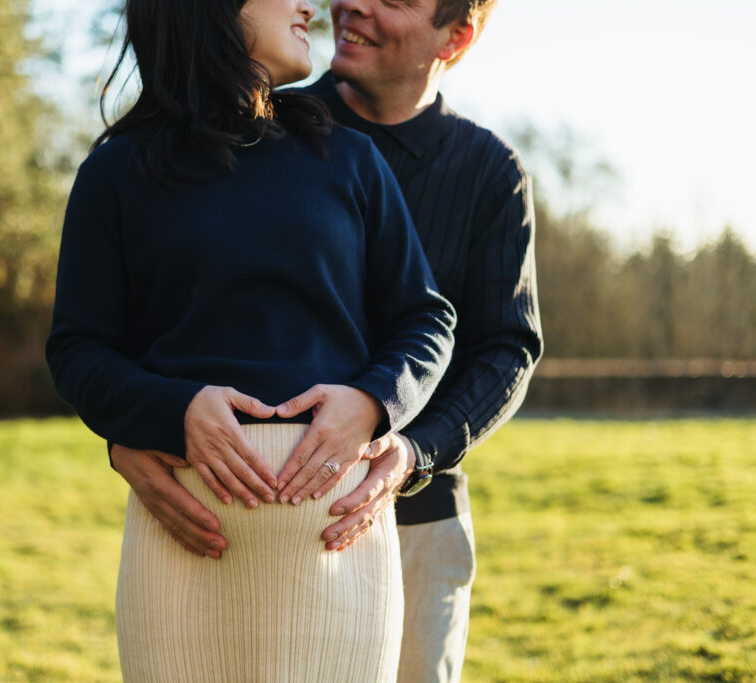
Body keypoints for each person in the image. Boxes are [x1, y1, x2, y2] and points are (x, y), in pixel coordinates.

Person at [44, 0, 456, 680]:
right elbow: (78, 350)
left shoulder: (349, 160)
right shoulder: (116, 175)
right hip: (181, 556)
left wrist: (374, 402)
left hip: (338, 556)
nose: (309, 5)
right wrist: (170, 412)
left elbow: (427, 319)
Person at [298, 1, 545, 681]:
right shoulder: (269, 129)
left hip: (419, 524)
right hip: (267, 516)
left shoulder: (492, 172)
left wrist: (410, 451)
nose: (353, 4)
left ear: (456, 36)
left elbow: (508, 349)